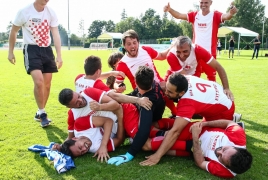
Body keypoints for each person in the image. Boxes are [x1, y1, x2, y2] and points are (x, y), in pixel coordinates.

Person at [139, 73, 239, 167]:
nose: (166, 93)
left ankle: (232, 121)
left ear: (181, 93)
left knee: (190, 137)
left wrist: (157, 156)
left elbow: (175, 132)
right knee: (179, 127)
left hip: (222, 112)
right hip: (219, 101)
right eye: (167, 89)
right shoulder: (181, 79)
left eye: (170, 92)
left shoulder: (187, 103)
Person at [8, 0, 63, 127]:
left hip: (47, 50)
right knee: (39, 82)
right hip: (31, 49)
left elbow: (55, 34)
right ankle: (43, 114)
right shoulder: (24, 11)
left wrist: (59, 55)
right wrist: (10, 52)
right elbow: (14, 31)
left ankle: (39, 111)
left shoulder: (51, 12)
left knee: (47, 84)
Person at [141, 120, 252, 178]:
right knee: (161, 125)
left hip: (193, 148)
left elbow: (200, 162)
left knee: (150, 146)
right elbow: (229, 122)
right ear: (235, 147)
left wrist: (195, 137)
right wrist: (204, 123)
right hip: (198, 130)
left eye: (220, 157)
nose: (218, 151)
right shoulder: (238, 137)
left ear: (227, 166)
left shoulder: (227, 172)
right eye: (224, 149)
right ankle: (134, 127)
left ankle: (134, 136)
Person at [164, 1, 237, 81]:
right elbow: (179, 15)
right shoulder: (195, 15)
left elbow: (226, 16)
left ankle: (212, 93)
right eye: (201, 2)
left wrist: (231, 13)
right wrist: (169, 10)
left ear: (211, 3)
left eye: (206, 2)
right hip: (196, 54)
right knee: (192, 77)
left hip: (209, 54)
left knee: (211, 77)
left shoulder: (215, 15)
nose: (203, 5)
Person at [108, 66, 166, 166]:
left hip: (152, 122)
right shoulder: (151, 83)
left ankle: (183, 145)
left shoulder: (147, 103)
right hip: (155, 118)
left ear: (135, 81)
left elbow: (144, 131)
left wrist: (129, 154)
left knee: (145, 145)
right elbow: (134, 94)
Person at [114, 29, 177, 117]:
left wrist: (172, 47)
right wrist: (119, 87)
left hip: (159, 84)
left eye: (134, 42)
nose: (132, 46)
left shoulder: (146, 50)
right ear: (124, 46)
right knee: (151, 116)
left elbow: (162, 56)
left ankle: (175, 113)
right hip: (143, 93)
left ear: (138, 42)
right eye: (129, 44)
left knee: (169, 88)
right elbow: (117, 83)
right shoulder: (122, 64)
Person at [164, 36, 234, 100]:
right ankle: (174, 112)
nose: (182, 55)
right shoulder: (171, 55)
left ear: (191, 48)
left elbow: (218, 67)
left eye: (185, 51)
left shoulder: (198, 50)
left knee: (194, 95)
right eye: (178, 52)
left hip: (194, 74)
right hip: (176, 74)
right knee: (165, 91)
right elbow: (184, 77)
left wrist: (226, 88)